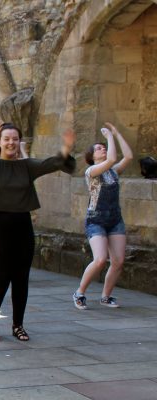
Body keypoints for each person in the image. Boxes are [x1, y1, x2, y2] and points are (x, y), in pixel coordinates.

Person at [0, 118, 75, 342]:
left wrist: (66, 147)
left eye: (15, 139)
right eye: (6, 139)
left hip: (22, 225)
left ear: (19, 141)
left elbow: (54, 163)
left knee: (21, 278)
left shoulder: (27, 166)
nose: (11, 142)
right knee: (1, 277)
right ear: (0, 142)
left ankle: (18, 325)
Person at [73, 122, 132, 310]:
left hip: (115, 219)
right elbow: (112, 159)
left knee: (118, 261)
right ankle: (79, 292)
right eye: (99, 148)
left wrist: (116, 133)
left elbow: (129, 156)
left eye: (104, 147)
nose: (103, 149)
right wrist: (108, 137)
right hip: (96, 220)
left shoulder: (113, 172)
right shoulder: (91, 171)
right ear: (92, 156)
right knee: (99, 259)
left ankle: (106, 297)